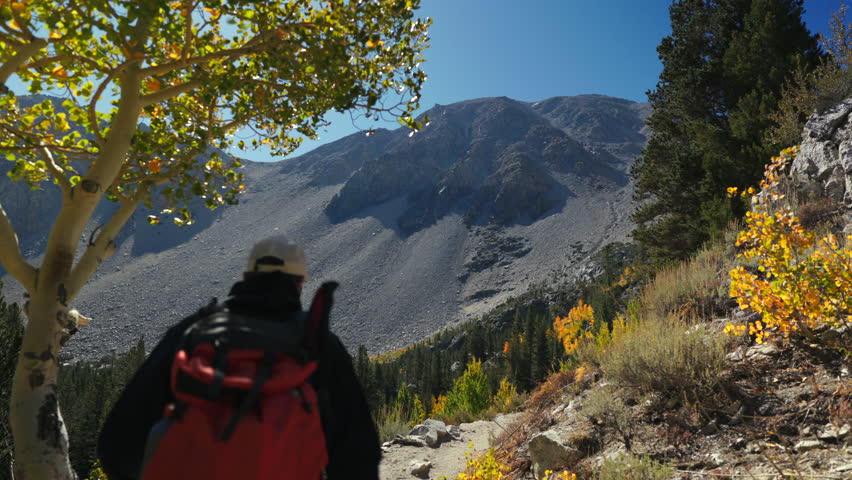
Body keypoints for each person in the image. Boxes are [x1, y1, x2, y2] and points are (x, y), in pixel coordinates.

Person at [97, 235, 381, 480]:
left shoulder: (196, 331)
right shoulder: (317, 343)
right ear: (299, 284)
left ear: (246, 277)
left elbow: (117, 444)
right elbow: (358, 451)